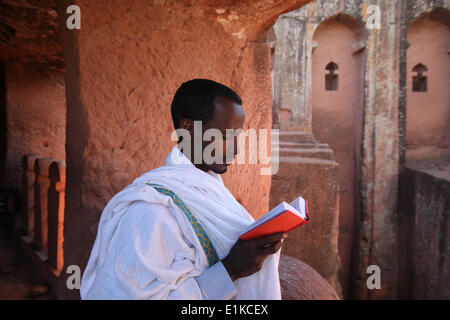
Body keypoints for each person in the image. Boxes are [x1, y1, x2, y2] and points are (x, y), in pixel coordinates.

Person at [80, 79, 286, 299]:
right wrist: (229, 271)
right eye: (226, 136)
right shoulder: (148, 210)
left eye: (238, 137)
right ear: (188, 128)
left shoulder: (210, 192)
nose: (235, 148)